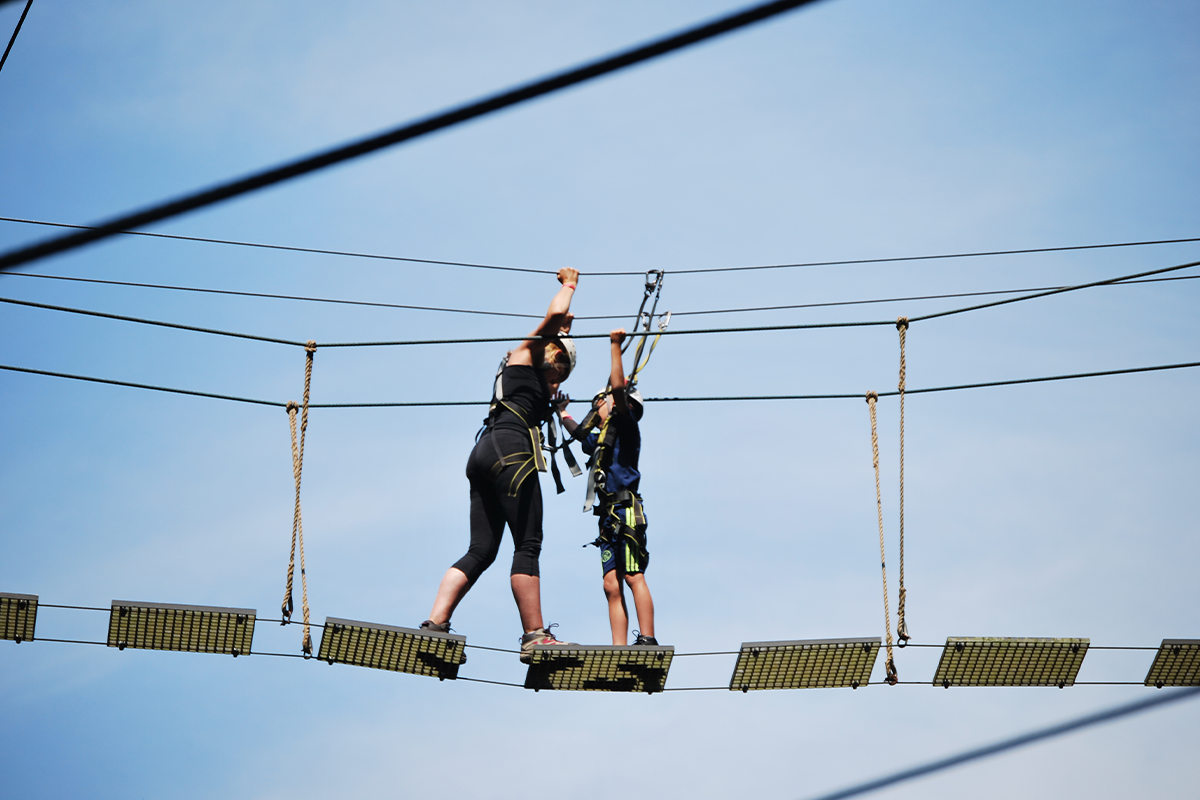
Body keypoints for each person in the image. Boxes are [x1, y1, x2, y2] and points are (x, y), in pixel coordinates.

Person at [422, 268, 580, 663]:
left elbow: (560, 328)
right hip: (511, 452)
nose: (558, 381)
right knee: (527, 544)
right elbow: (554, 318)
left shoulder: (525, 378)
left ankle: (435, 625)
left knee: (481, 550)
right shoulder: (525, 354)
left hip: (483, 453)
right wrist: (570, 285)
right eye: (559, 370)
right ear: (551, 356)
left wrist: (566, 329)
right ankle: (535, 636)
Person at [561, 328, 657, 647]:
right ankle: (618, 647)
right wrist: (562, 411)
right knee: (611, 585)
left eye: (599, 403)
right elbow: (578, 433)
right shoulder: (602, 441)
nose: (596, 407)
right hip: (607, 519)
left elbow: (616, 387)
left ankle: (647, 638)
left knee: (632, 575)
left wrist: (615, 346)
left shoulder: (627, 429)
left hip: (625, 511)